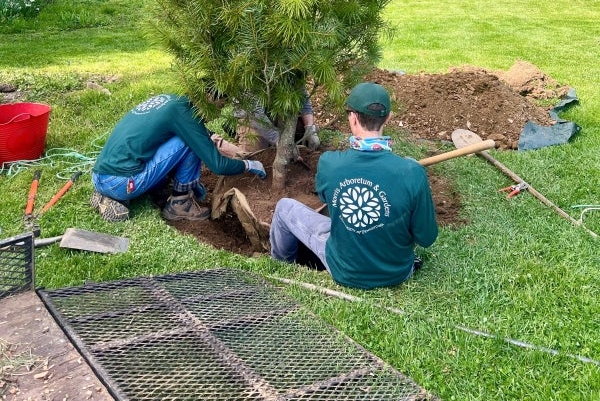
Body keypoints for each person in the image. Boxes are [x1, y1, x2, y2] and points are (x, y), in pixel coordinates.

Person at [269, 82, 438, 289]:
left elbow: (326, 200)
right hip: (396, 273)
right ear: (388, 119)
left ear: (353, 118)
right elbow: (427, 237)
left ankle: (281, 266)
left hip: (343, 268)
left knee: (285, 207)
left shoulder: (330, 164)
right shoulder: (412, 173)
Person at [91, 93, 267, 223]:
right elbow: (218, 166)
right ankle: (180, 203)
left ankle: (110, 195)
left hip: (101, 175)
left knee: (181, 138)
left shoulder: (171, 102)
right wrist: (249, 164)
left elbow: (205, 135)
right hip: (122, 183)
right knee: (187, 141)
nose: (217, 114)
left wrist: (192, 181)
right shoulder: (187, 116)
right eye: (219, 107)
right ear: (209, 99)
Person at [234, 91, 320, 151]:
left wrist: (310, 128)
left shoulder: (293, 68)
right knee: (255, 157)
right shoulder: (251, 71)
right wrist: (279, 140)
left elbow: (302, 96)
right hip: (251, 118)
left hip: (278, 113)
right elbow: (255, 112)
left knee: (302, 131)